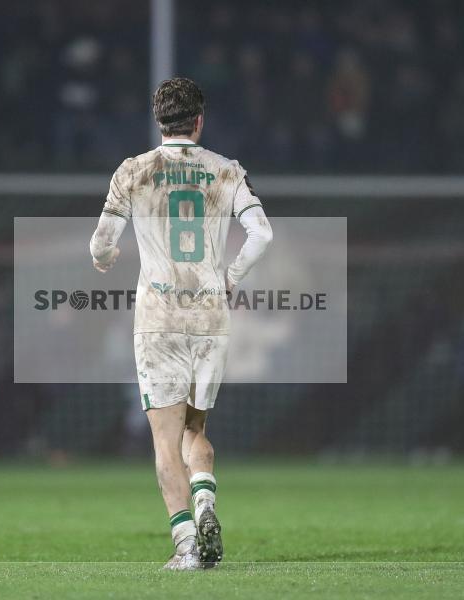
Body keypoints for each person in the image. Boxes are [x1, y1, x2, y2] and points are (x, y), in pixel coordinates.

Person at [89, 77, 273, 570]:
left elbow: (101, 243)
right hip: (210, 314)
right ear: (199, 121)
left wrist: (104, 258)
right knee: (195, 427)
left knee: (165, 440)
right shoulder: (226, 170)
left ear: (159, 122)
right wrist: (230, 277)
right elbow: (262, 234)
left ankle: (187, 544)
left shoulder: (133, 171)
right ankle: (205, 502)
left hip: (160, 318)